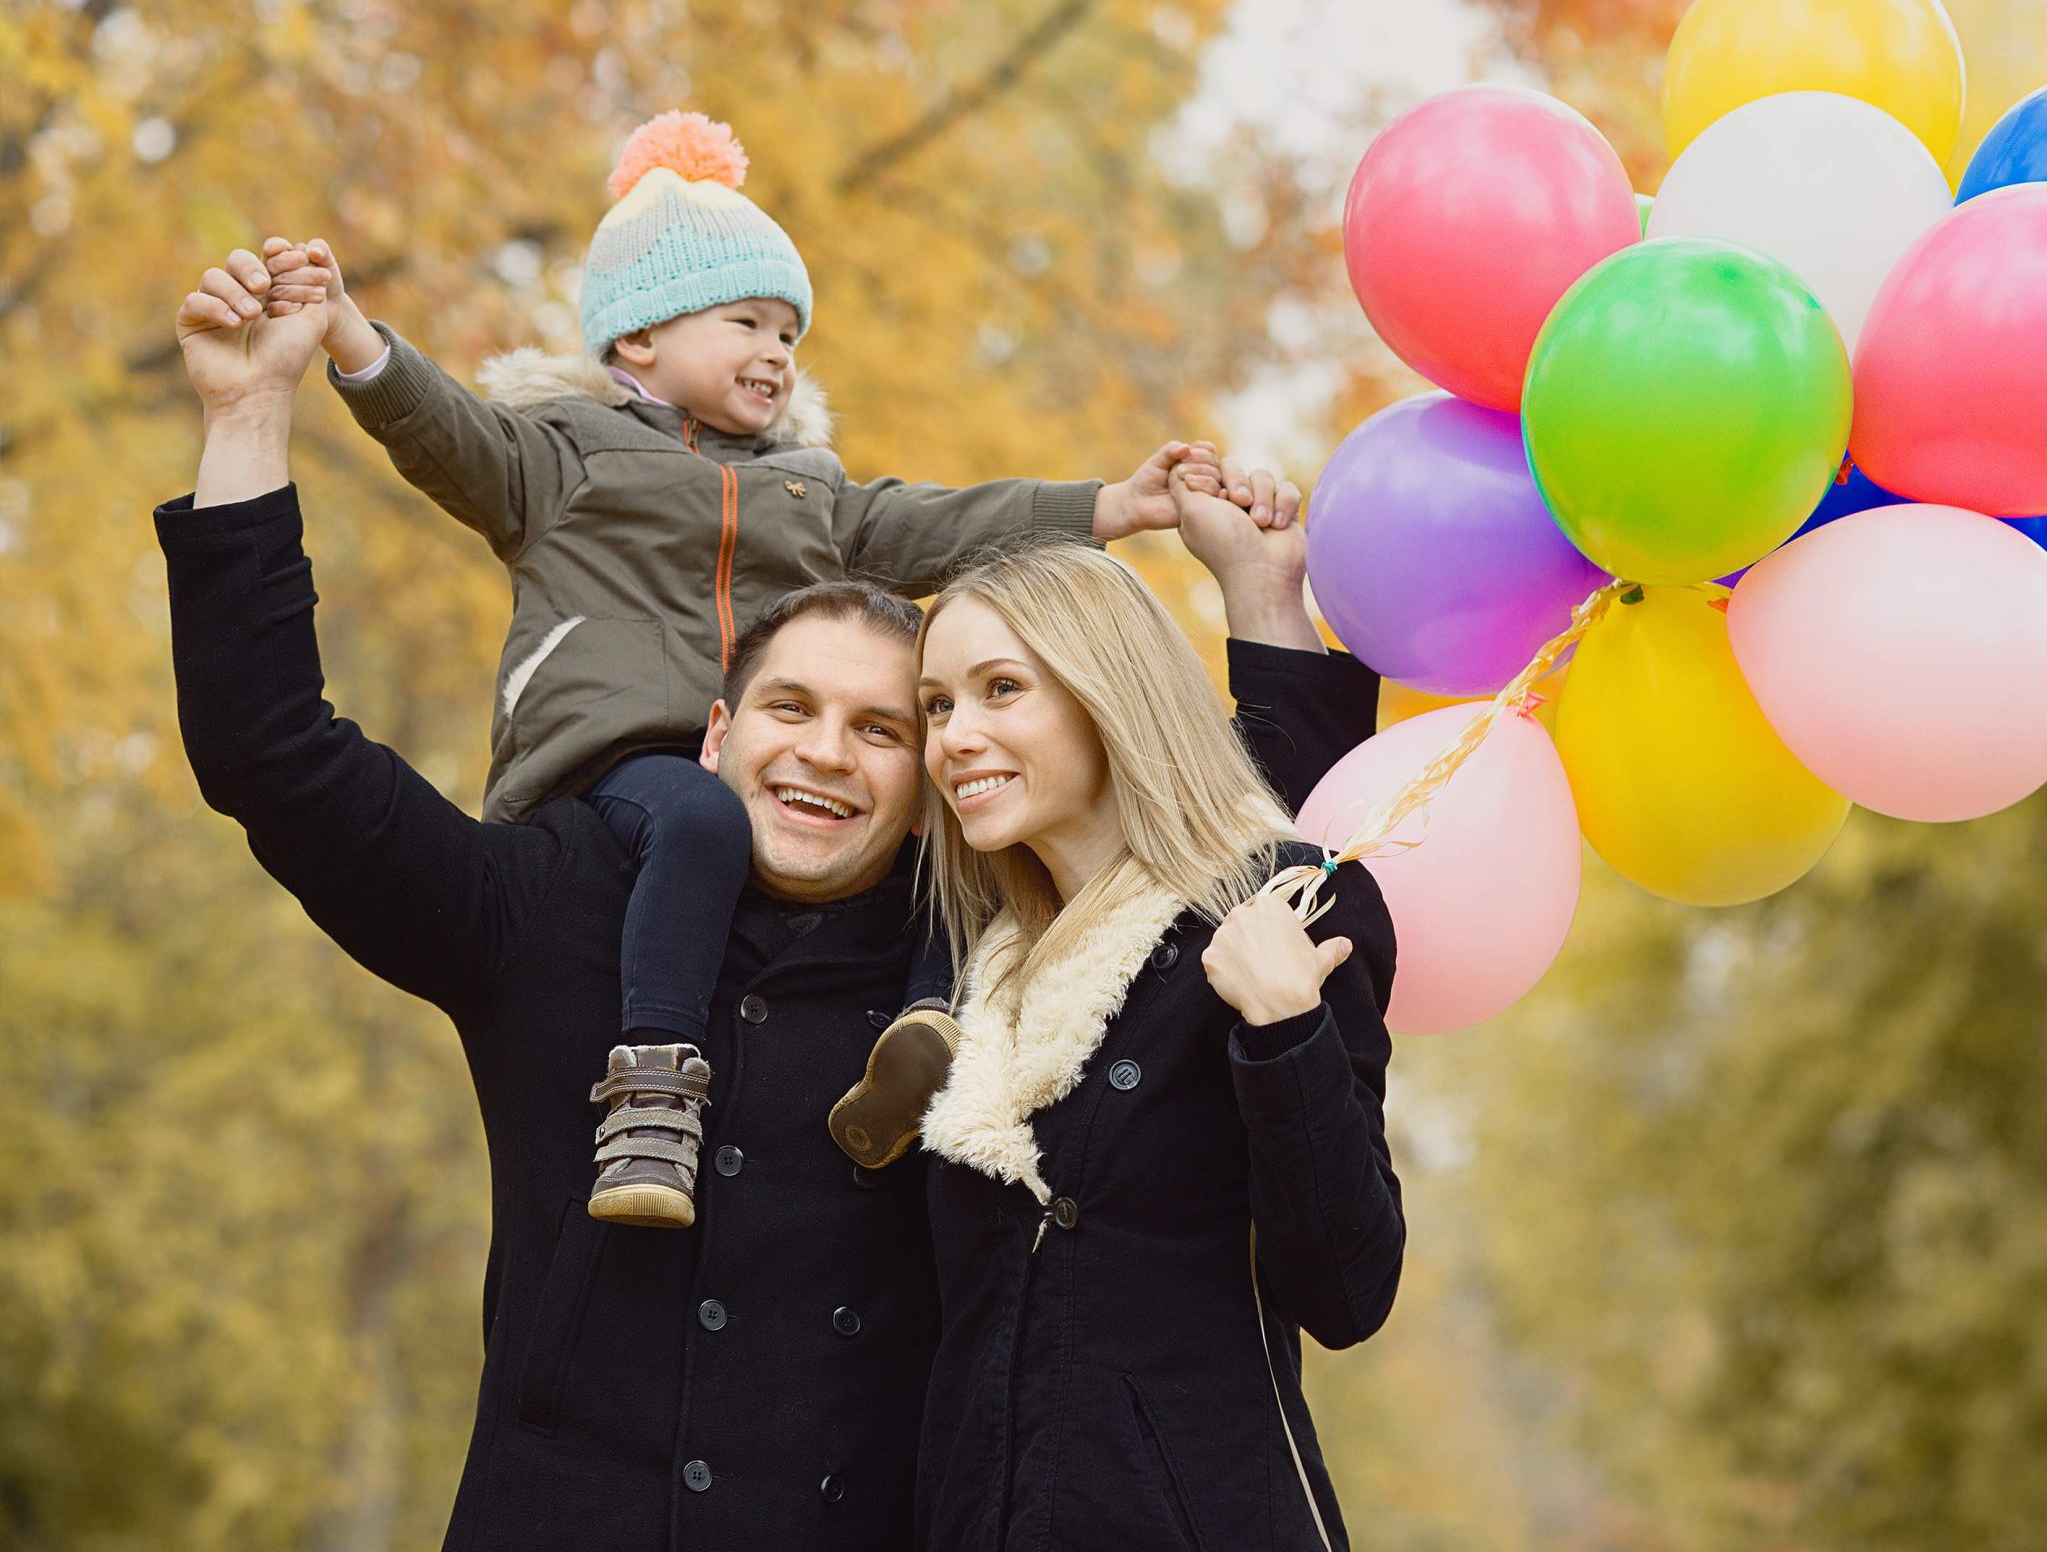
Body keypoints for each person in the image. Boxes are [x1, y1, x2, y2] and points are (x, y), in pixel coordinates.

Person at [165, 253, 1378, 1550]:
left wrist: (1263, 600)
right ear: (715, 736)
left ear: (930, 775)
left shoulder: (986, 976)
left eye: (885, 726)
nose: (825, 754)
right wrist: (248, 414)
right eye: (790, 708)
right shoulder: (554, 904)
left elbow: (1231, 870)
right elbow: (275, 755)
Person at [243, 109, 1252, 1229]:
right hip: (616, 758)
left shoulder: (805, 488)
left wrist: (1109, 505)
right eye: (747, 323)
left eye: (788, 333)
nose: (777, 353)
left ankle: (927, 1025)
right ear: (639, 339)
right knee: (702, 821)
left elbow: (938, 525)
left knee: (943, 810)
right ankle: (653, 1083)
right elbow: (444, 432)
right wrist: (350, 335)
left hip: (748, 753)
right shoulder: (563, 460)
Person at [907, 511, 1402, 1551]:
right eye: (936, 703)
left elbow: (1347, 1290)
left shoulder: (1276, 908)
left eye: (1001, 688)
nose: (953, 736)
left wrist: (1287, 1030)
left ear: (1109, 693)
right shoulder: (971, 972)